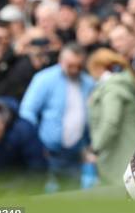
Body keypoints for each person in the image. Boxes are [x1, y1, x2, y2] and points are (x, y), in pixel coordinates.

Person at [19, 43, 95, 191]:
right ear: (61, 61)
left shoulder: (88, 82)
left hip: (76, 153)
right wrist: (35, 144)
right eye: (70, 65)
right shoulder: (44, 79)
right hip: (48, 152)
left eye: (78, 66)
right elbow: (27, 112)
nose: (74, 70)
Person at [86, 48, 135, 186]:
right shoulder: (119, 84)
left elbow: (111, 121)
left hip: (121, 153)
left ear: (98, 67)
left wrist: (96, 148)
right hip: (130, 149)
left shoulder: (112, 88)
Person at [0, 99, 47, 196]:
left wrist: (28, 194)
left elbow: (38, 168)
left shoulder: (24, 130)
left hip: (23, 190)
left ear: (2, 125)